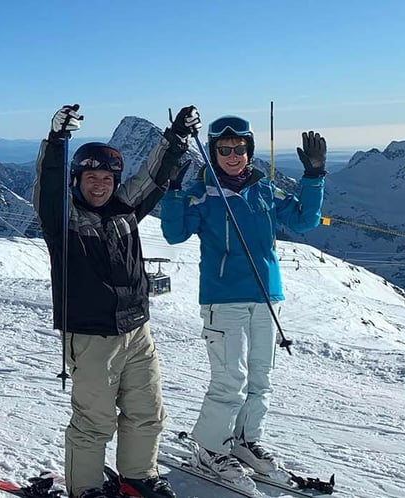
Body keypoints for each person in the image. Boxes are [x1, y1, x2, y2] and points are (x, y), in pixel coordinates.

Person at [34, 105, 199, 498]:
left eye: (107, 178)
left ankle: (138, 476)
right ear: (77, 180)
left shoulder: (124, 210)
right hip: (90, 335)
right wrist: (56, 141)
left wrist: (176, 138)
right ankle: (86, 488)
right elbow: (48, 186)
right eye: (91, 177)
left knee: (148, 412)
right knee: (94, 421)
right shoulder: (63, 219)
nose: (99, 185)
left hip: (137, 329)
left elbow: (153, 177)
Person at [158, 115, 326, 481]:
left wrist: (314, 177)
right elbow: (174, 234)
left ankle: (246, 440)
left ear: (248, 150)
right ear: (214, 152)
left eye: (239, 148)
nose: (232, 155)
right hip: (224, 298)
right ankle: (210, 448)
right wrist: (173, 191)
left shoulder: (264, 189)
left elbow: (304, 220)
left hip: (267, 296)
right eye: (224, 149)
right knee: (230, 378)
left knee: (260, 377)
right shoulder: (202, 193)